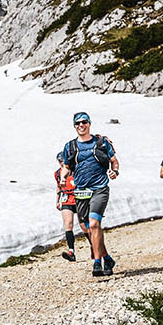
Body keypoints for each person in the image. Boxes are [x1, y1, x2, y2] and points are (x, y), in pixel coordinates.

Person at [60, 112, 119, 277]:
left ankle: (97, 263)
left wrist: (115, 172)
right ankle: (107, 258)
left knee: (94, 224)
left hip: (99, 188)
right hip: (80, 191)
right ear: (74, 126)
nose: (81, 125)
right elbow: (66, 166)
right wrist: (64, 177)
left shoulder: (100, 142)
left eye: (84, 122)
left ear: (89, 124)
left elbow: (114, 161)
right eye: (77, 123)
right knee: (88, 228)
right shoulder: (70, 146)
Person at [55, 152, 93, 261]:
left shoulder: (76, 171)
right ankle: (71, 251)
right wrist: (57, 201)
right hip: (66, 199)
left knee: (83, 225)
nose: (62, 163)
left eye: (63, 161)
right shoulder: (58, 174)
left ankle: (93, 245)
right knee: (68, 224)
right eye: (60, 161)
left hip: (79, 198)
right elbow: (58, 187)